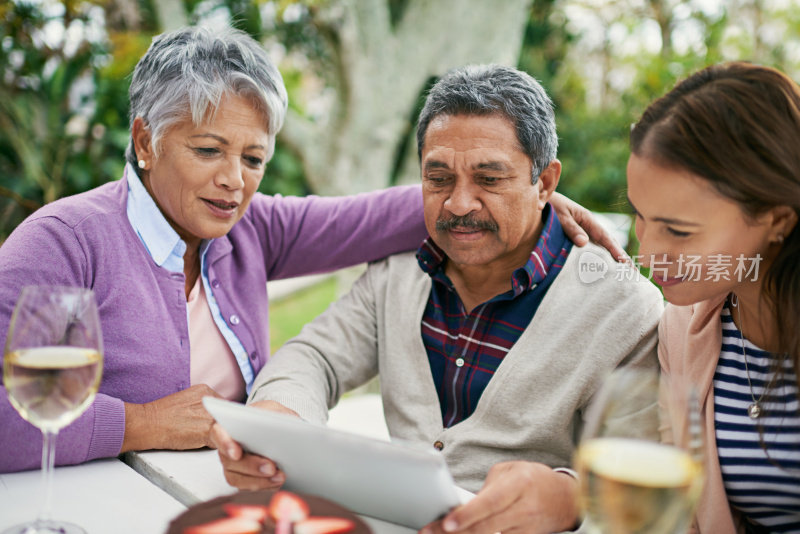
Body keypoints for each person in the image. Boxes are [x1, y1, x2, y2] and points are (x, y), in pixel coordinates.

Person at [0, 26, 616, 473]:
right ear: (146, 140)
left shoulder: (247, 227)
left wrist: (523, 201)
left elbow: (378, 216)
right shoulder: (64, 244)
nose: (233, 180)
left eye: (253, 158)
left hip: (209, 504)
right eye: (208, 150)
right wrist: (142, 423)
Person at [212, 64, 664, 534]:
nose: (459, 204)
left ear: (545, 183)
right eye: (439, 178)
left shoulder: (625, 308)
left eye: (490, 179)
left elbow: (647, 487)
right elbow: (316, 356)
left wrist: (571, 499)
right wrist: (280, 415)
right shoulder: (397, 269)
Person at [627, 62, 800, 533]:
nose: (649, 253)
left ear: (777, 220)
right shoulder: (684, 331)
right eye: (641, 216)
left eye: (678, 231)